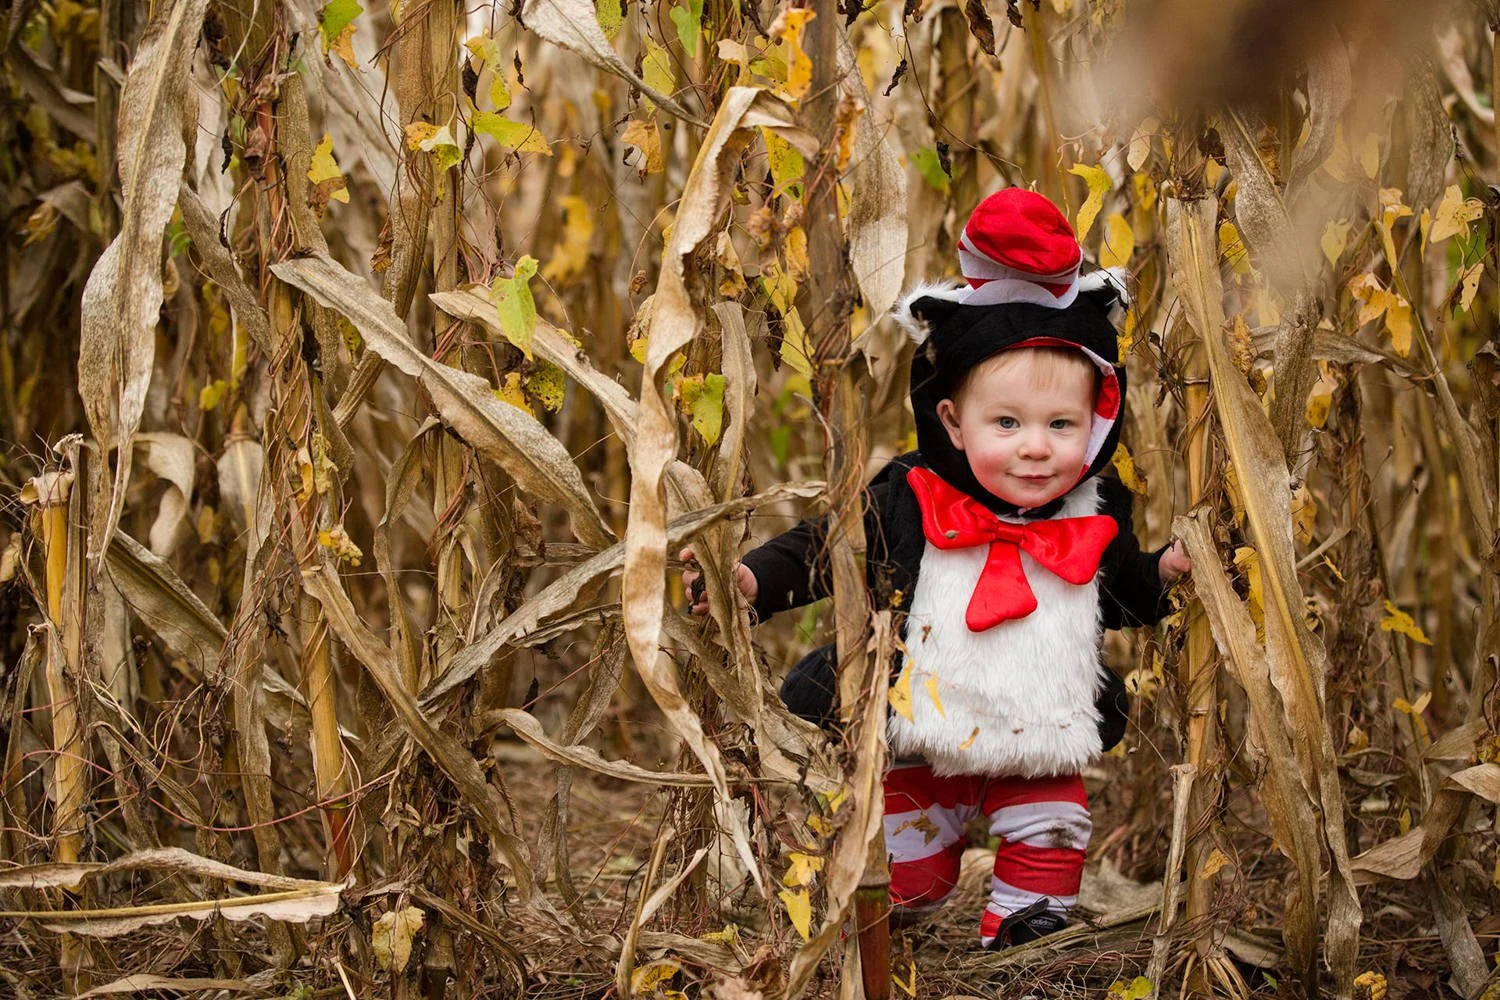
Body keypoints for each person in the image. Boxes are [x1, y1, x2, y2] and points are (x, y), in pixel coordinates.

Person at [681, 188, 1191, 949]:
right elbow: (830, 552)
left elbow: (1120, 593)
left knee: (1054, 832)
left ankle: (1024, 933)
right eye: (1007, 423)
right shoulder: (912, 496)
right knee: (909, 882)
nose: (1035, 446)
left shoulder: (1094, 506)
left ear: (1099, 421)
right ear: (953, 421)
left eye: (1062, 425)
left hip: (1037, 732)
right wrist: (752, 581)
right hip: (925, 736)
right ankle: (884, 924)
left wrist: (1173, 572)